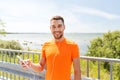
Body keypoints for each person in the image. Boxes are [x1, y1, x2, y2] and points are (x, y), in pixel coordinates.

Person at [20, 15, 81, 80]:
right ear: (50, 28)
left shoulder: (73, 46)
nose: (56, 29)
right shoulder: (46, 45)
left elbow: (77, 71)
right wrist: (30, 64)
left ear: (64, 27)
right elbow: (40, 66)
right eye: (53, 27)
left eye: (59, 26)